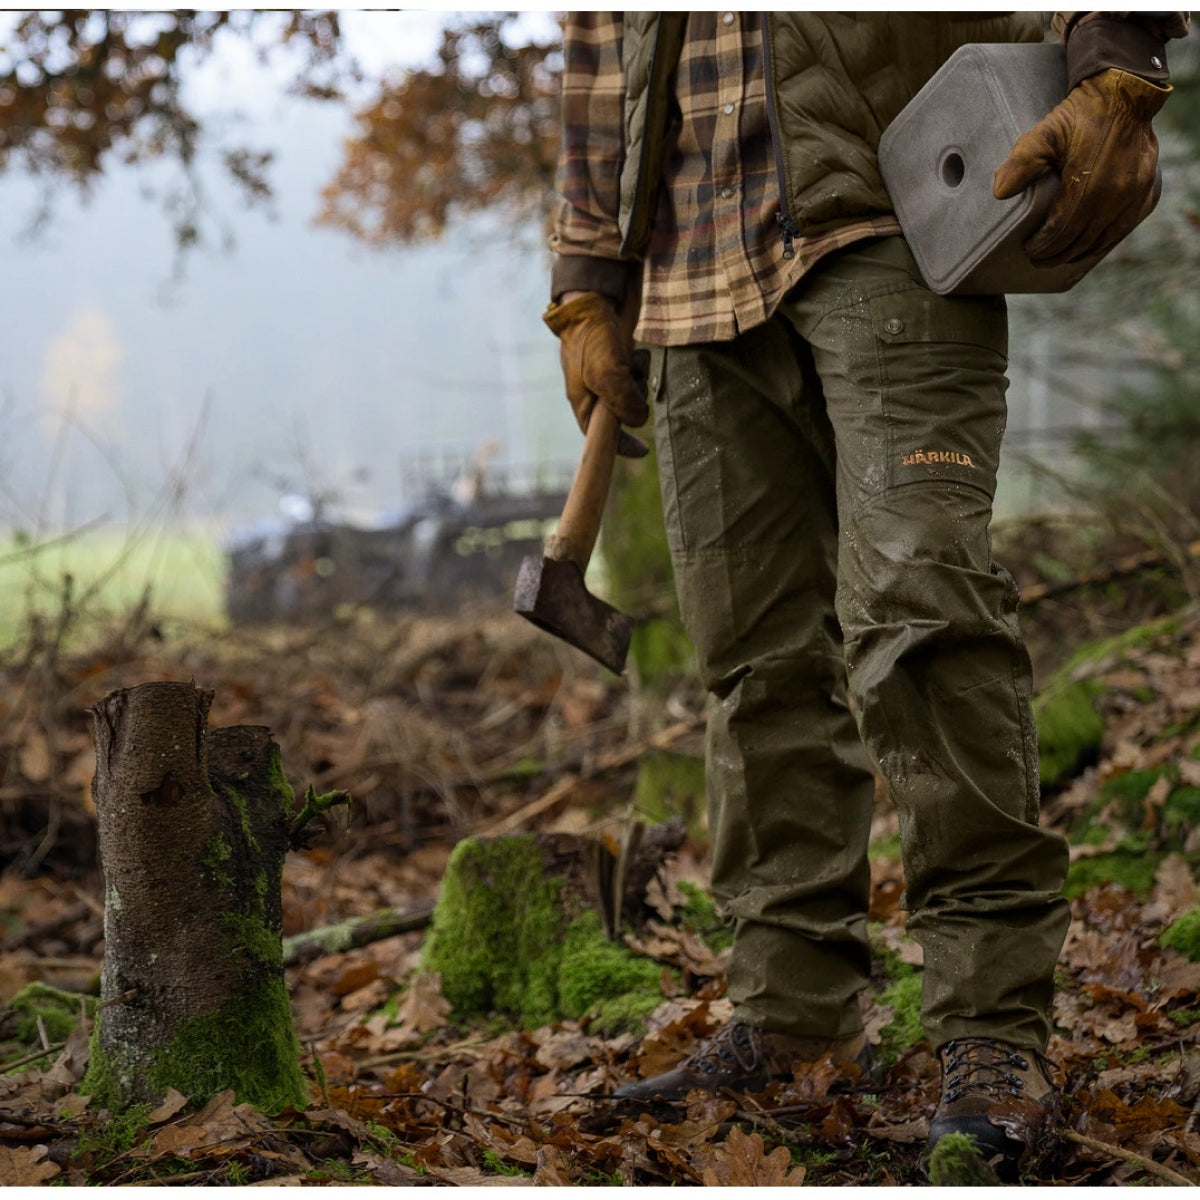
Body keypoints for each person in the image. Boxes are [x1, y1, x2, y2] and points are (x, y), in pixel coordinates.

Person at [542, 10, 1189, 1172]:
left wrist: (1120, 55)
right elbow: (599, 52)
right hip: (688, 287)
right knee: (756, 666)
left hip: (894, 215)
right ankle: (791, 1019)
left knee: (923, 622)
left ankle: (994, 1027)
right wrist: (587, 281)